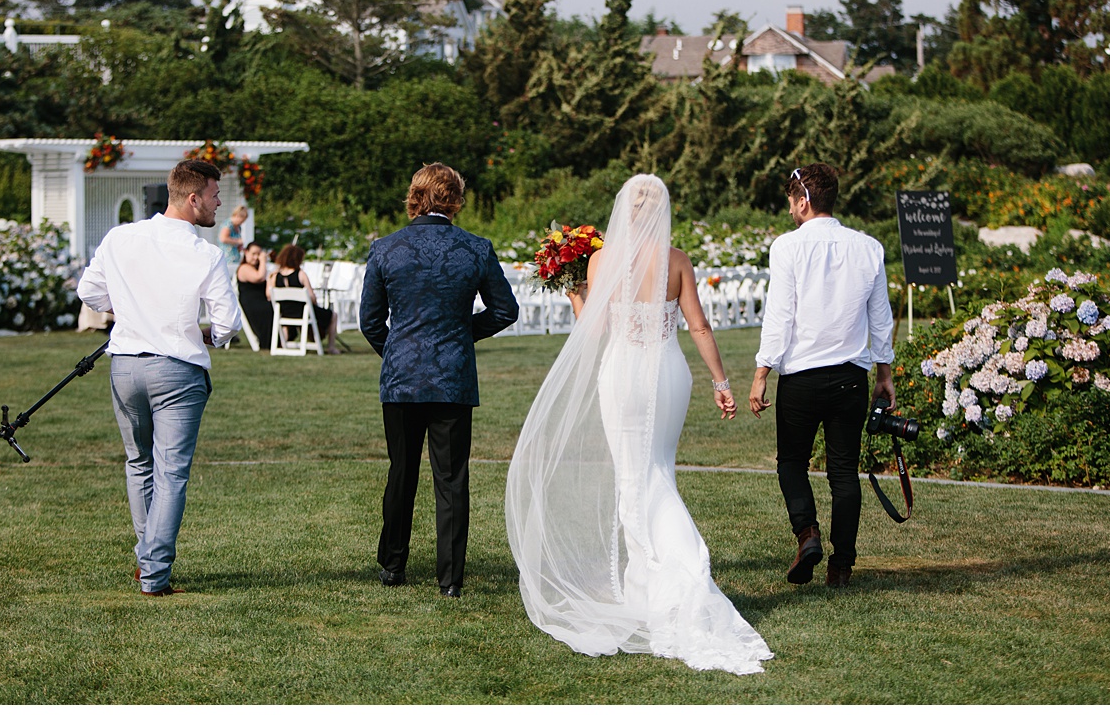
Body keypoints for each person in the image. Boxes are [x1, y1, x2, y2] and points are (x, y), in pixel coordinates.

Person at [506, 174, 772, 675]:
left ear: (625, 212)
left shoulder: (602, 260)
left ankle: (675, 573)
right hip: (667, 374)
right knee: (655, 472)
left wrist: (574, 297)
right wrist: (721, 383)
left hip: (623, 373)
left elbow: (595, 328)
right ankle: (651, 582)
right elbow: (699, 325)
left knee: (636, 477)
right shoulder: (676, 261)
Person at [76, 159, 241, 597]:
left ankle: (146, 559)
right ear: (193, 198)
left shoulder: (120, 236)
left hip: (125, 366)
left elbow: (88, 291)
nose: (218, 203)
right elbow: (226, 324)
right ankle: (154, 575)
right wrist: (206, 333)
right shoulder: (205, 253)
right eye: (214, 195)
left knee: (139, 464)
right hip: (178, 370)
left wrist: (132, 310)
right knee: (171, 473)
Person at [359, 163, 519, 598]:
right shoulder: (475, 249)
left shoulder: (386, 249)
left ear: (415, 196)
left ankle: (393, 565)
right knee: (451, 479)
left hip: (402, 377)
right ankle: (450, 579)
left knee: (401, 471)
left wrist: (396, 350)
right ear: (455, 198)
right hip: (451, 376)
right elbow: (506, 310)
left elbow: (370, 321)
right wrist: (461, 334)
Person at [748, 163, 894, 589]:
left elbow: (780, 316)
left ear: (803, 200)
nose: (790, 209)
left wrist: (762, 372)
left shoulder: (787, 247)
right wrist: (883, 372)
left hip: (802, 378)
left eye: (791, 201)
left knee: (792, 461)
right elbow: (880, 317)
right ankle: (841, 565)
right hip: (850, 375)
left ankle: (807, 533)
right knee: (844, 473)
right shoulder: (868, 247)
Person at [269, 244, 340, 354]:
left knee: (286, 323)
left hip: (285, 312)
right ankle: (331, 347)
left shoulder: (275, 276)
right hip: (303, 312)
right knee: (333, 315)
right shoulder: (301, 274)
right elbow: (311, 297)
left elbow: (269, 295)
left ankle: (282, 344)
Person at [236, 241, 274, 351]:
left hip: (261, 301)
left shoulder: (258, 268)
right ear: (246, 253)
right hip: (252, 303)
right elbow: (259, 277)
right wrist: (263, 261)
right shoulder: (244, 268)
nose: (256, 257)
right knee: (269, 311)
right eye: (254, 254)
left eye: (259, 254)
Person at [218, 205, 250, 271]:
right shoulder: (228, 224)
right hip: (227, 260)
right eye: (242, 220)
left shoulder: (238, 227)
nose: (242, 222)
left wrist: (240, 247)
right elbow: (223, 238)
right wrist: (238, 241)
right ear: (237, 216)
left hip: (235, 259)